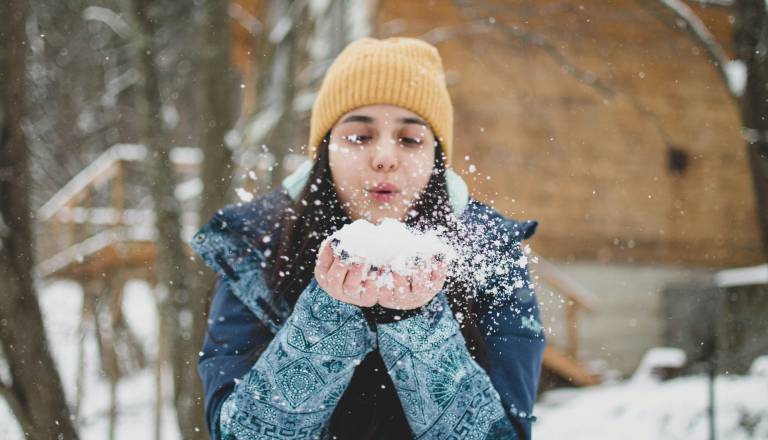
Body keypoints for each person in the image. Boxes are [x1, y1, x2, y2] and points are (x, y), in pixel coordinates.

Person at [190, 37, 545, 440]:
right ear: (325, 151)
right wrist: (328, 317)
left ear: (436, 157)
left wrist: (416, 325)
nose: (385, 158)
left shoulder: (490, 255)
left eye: (410, 139)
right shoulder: (255, 249)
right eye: (359, 136)